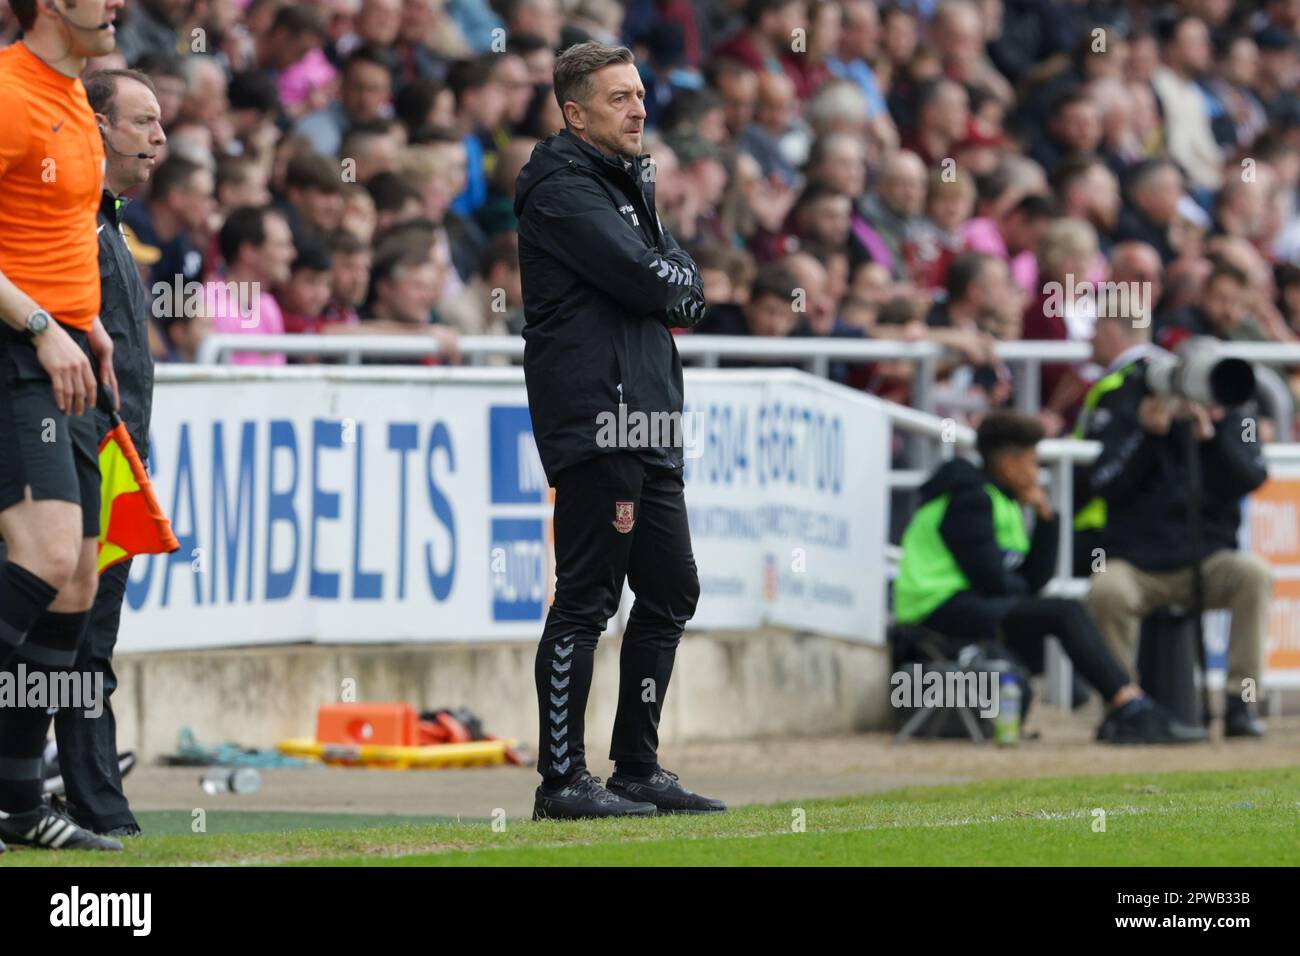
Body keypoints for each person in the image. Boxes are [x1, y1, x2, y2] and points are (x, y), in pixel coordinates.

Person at [515, 42, 720, 820]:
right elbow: (657, 282)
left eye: (639, 94)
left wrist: (668, 270)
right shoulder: (562, 188)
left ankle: (636, 765)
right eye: (618, 99)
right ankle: (561, 781)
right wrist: (667, 269)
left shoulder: (626, 182)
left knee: (670, 589)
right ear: (575, 113)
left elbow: (686, 293)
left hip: (652, 416)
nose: (639, 109)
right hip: (602, 417)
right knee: (587, 598)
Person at [0, 0, 127, 852]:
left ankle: (15, 802)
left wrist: (90, 325)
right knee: (44, 561)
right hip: (17, 350)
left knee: (77, 586)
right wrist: (43, 327)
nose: (116, 3)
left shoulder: (75, 90)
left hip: (68, 353)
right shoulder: (9, 91)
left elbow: (60, 223)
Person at [892, 412, 1207, 744]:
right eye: (1031, 462)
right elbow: (992, 581)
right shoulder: (969, 498)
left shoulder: (1003, 501)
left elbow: (1028, 581)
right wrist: (1017, 588)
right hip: (934, 608)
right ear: (1009, 465)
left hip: (966, 603)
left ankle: (1124, 705)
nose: (1037, 473)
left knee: (1057, 613)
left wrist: (1046, 519)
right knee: (1063, 613)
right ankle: (1128, 706)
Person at [43, 68, 166, 839]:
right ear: (96, 128)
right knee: (67, 637)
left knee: (92, 638)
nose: (159, 139)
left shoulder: (105, 224)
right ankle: (82, 802)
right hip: (76, 456)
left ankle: (85, 799)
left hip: (116, 457)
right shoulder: (65, 227)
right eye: (144, 122)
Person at [1082, 339, 1272, 738]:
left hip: (1207, 559)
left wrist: (1213, 439)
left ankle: (1241, 703)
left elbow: (1253, 478)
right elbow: (1103, 483)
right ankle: (1125, 708)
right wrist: (1147, 437)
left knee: (1254, 574)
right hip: (1137, 564)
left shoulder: (1231, 410)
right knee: (1106, 590)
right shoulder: (1130, 400)